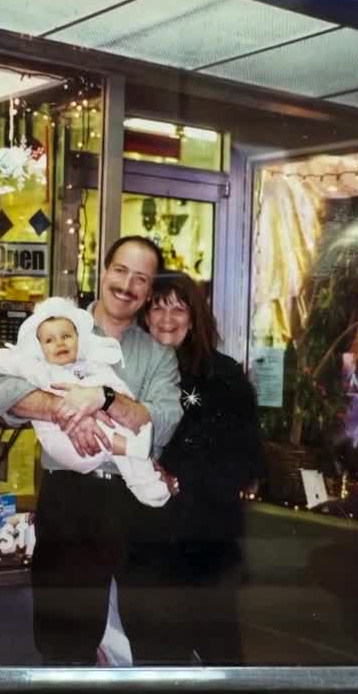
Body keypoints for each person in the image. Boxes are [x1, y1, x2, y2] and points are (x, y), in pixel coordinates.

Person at [0, 236, 183, 665]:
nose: (127, 285)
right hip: (70, 498)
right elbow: (2, 390)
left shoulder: (156, 355)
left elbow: (165, 418)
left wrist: (104, 399)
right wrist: (65, 411)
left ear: (149, 290)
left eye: (141, 278)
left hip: (133, 503)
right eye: (120, 271)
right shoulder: (55, 327)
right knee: (65, 642)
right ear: (103, 271)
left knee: (153, 640)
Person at [133, 269, 266, 664]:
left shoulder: (222, 374)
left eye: (178, 309)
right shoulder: (132, 370)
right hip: (145, 543)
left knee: (219, 654)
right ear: (144, 316)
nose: (167, 319)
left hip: (206, 540)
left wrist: (181, 480)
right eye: (158, 308)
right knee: (155, 659)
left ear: (194, 318)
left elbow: (247, 457)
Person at [0, 297, 170, 507]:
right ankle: (132, 447)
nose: (59, 343)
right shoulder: (39, 368)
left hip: (103, 454)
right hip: (66, 443)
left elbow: (117, 388)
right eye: (49, 340)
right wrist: (77, 409)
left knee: (127, 456)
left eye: (66, 336)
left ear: (79, 339)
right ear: (39, 348)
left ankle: (148, 488)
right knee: (119, 439)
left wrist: (112, 400)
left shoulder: (93, 366)